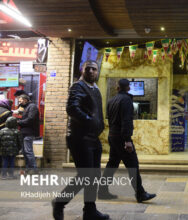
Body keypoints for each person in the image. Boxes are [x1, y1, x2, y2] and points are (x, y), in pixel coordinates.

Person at [52, 60, 109, 220]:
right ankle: (59, 203)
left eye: (94, 69)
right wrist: (88, 121)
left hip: (93, 138)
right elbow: (72, 108)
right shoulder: (78, 86)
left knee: (93, 176)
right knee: (86, 176)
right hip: (80, 138)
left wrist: (99, 126)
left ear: (97, 72)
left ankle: (90, 211)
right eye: (88, 68)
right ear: (82, 70)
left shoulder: (95, 89)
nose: (91, 71)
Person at [98, 78, 156, 203]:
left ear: (117, 88)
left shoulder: (111, 101)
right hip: (121, 138)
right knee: (132, 165)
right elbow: (126, 121)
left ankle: (102, 191)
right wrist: (127, 140)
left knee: (112, 164)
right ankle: (140, 194)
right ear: (129, 88)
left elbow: (110, 118)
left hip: (112, 136)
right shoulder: (126, 101)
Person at [17, 94, 39, 173]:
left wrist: (19, 122)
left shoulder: (32, 107)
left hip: (29, 132)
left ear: (25, 100)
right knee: (24, 151)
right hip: (23, 132)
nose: (19, 102)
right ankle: (28, 167)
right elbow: (20, 117)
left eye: (20, 100)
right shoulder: (23, 107)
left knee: (28, 151)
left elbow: (30, 119)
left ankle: (34, 168)